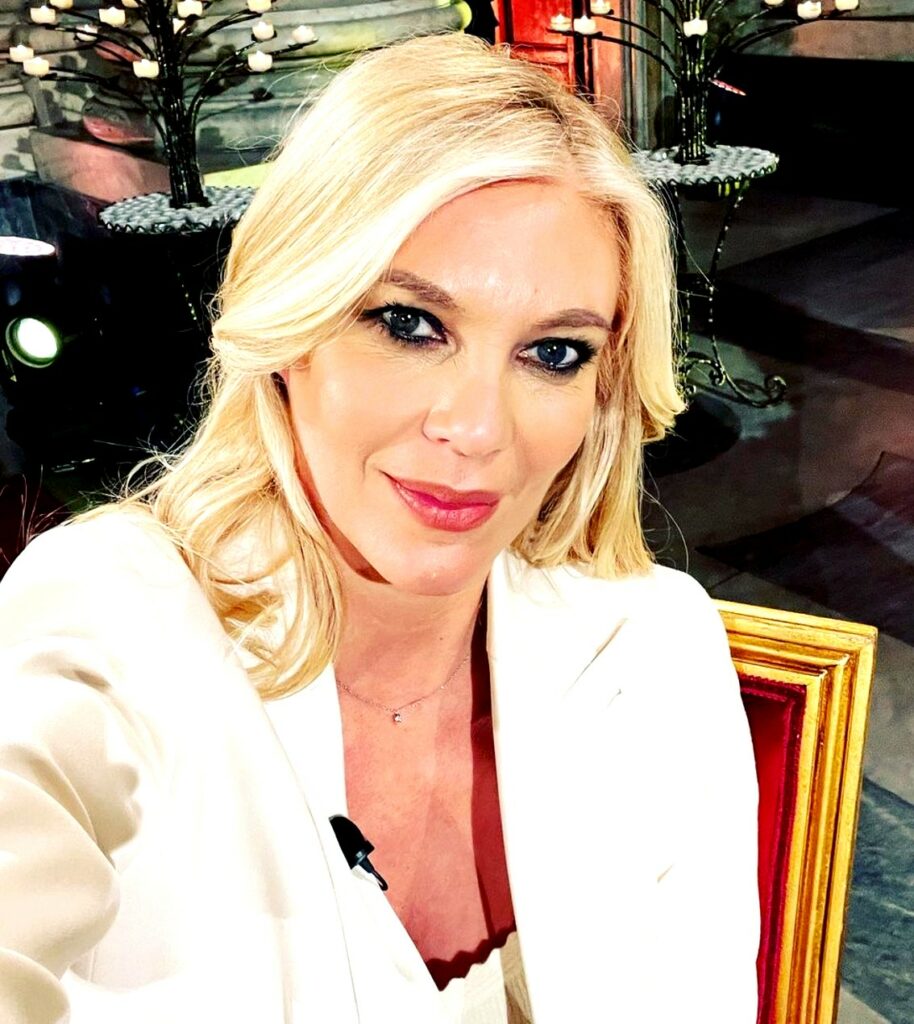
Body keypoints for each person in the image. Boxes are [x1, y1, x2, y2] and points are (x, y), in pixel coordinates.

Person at [0, 32, 759, 1024]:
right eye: (409, 324)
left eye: (554, 352)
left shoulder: (653, 645)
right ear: (291, 327)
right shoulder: (107, 622)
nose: (477, 428)